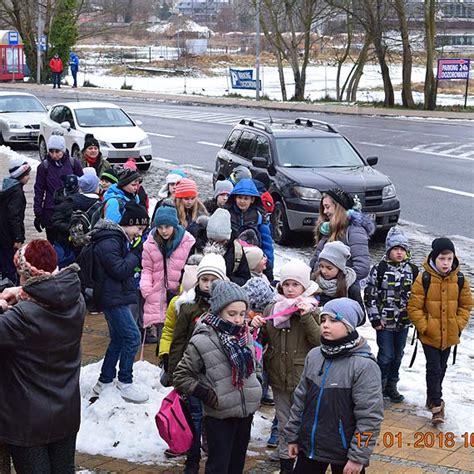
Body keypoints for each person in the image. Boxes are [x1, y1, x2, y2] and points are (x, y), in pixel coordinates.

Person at [0, 239, 86, 474]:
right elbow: (49, 295)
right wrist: (21, 293)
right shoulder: (76, 301)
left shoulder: (20, 319)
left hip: (28, 423)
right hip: (66, 413)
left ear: (25, 275)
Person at [284, 298, 384, 474]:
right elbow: (300, 401)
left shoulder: (363, 366)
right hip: (310, 448)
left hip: (345, 453)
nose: (325, 325)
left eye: (333, 320)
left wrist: (358, 457)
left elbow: (370, 417)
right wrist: (292, 436)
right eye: (323, 320)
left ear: (349, 325)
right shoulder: (314, 356)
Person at [173, 280, 262, 474]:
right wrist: (205, 394)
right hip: (219, 415)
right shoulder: (203, 339)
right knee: (218, 466)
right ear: (219, 311)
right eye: (232, 314)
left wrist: (257, 384)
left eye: (242, 314)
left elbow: (255, 364)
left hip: (244, 412)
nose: (238, 320)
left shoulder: (244, 335)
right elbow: (181, 375)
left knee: (236, 465)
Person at [251, 259, 320, 473]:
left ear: (304, 287)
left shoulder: (313, 310)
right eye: (286, 284)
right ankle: (286, 467)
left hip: (304, 379)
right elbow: (262, 342)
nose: (290, 290)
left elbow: (318, 341)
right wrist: (257, 326)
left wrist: (306, 316)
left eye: (295, 285)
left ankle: (305, 463)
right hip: (278, 377)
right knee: (284, 424)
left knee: (303, 425)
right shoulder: (273, 308)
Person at [167, 253, 228, 469]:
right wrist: (174, 371)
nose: (209, 285)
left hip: (217, 375)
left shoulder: (227, 309)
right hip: (192, 374)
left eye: (214, 280)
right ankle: (192, 459)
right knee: (194, 418)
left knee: (213, 421)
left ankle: (213, 459)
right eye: (204, 280)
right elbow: (178, 341)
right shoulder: (188, 307)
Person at [408, 237, 472, 425]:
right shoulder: (424, 278)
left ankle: (431, 396)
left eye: (449, 259)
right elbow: (414, 307)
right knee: (434, 368)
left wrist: (458, 324)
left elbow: (466, 305)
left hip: (450, 333)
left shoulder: (460, 279)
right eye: (442, 259)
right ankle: (437, 405)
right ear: (434, 258)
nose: (445, 263)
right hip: (429, 335)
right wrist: (425, 327)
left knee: (441, 368)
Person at [90, 202, 150, 403]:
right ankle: (125, 381)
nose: (139, 234)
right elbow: (120, 270)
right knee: (132, 337)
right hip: (111, 298)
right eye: (138, 229)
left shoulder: (117, 240)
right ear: (129, 223)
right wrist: (135, 254)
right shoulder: (111, 242)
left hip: (114, 295)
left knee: (118, 338)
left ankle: (104, 380)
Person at [365, 227, 418, 403]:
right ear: (389, 250)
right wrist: (374, 319)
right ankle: (378, 387)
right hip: (384, 322)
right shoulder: (379, 269)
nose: (399, 252)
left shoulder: (412, 270)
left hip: (403, 322)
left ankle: (392, 385)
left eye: (402, 249)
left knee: (398, 355)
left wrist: (415, 316)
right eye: (396, 249)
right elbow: (371, 295)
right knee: (386, 355)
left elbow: (418, 297)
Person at [141, 206, 195, 345]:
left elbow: (192, 268)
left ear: (174, 225)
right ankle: (163, 363)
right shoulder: (150, 243)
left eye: (167, 226)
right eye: (160, 227)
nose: (164, 231)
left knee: (180, 335)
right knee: (162, 336)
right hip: (157, 294)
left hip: (180, 293)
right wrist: (146, 289)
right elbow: (147, 268)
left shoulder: (188, 242)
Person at [310, 188, 375, 282]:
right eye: (323, 208)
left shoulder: (355, 231)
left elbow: (362, 268)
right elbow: (316, 260)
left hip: (342, 291)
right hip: (322, 287)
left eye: (327, 207)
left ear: (338, 208)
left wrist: (338, 282)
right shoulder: (329, 228)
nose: (324, 212)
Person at [34, 135, 83, 243]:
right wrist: (38, 212)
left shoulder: (73, 164)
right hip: (50, 211)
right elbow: (39, 190)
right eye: (51, 151)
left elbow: (82, 184)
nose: (54, 155)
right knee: (52, 243)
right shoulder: (44, 167)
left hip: (69, 211)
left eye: (57, 151)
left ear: (63, 150)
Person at [227, 178, 274, 279]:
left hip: (253, 260)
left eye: (246, 198)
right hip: (232, 259)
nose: (242, 201)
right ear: (235, 198)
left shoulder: (259, 216)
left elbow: (266, 242)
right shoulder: (227, 214)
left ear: (252, 200)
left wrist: (269, 266)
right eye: (240, 197)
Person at [0, 158, 31, 284]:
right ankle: (10, 290)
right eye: (27, 174)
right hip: (9, 236)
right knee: (11, 267)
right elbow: (14, 217)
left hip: (2, 234)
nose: (29, 177)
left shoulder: (7, 188)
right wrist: (18, 238)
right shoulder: (17, 192)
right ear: (20, 175)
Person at [204, 208, 252, 286]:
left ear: (227, 239)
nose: (217, 245)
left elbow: (245, 279)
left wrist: (229, 280)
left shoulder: (236, 251)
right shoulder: (198, 244)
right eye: (213, 240)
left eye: (221, 241)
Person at [313, 241, 364, 310]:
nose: (323, 271)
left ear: (339, 268)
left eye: (329, 268)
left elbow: (361, 315)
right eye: (321, 266)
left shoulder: (351, 288)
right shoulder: (314, 280)